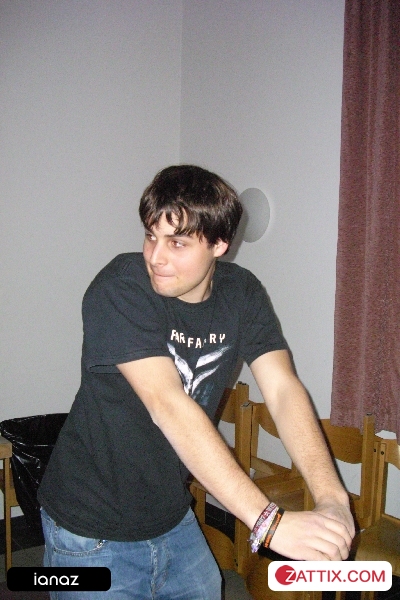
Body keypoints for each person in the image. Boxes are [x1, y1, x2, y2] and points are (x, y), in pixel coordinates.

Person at [38, 165, 354, 600]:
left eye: (177, 243)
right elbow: (167, 405)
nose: (156, 257)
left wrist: (333, 496)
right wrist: (268, 522)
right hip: (89, 527)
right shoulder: (121, 287)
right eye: (151, 236)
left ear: (220, 244)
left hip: (171, 515)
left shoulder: (242, 293)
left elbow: (283, 390)